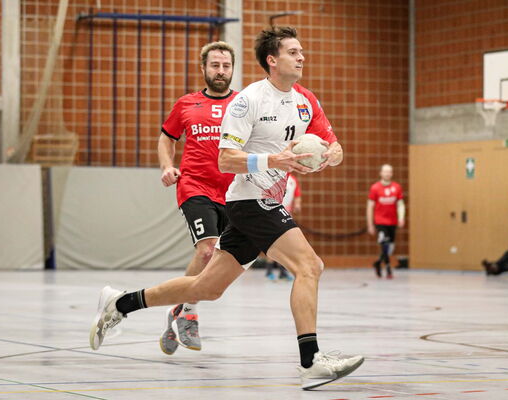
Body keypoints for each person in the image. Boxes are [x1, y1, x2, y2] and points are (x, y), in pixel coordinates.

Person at [89, 26, 364, 391]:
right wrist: (274, 160)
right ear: (272, 60)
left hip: (263, 201)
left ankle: (120, 303)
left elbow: (334, 145)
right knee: (309, 266)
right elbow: (226, 159)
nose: (301, 57)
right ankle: (310, 361)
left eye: (301, 52)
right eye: (293, 52)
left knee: (206, 287)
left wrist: (332, 154)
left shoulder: (306, 100)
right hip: (250, 199)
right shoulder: (248, 101)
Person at [157, 41, 237, 355]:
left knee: (222, 264)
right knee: (206, 250)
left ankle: (176, 309)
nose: (221, 71)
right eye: (215, 65)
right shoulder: (186, 104)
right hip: (195, 186)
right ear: (203, 68)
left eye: (226, 66)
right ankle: (188, 313)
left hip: (233, 192)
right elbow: (167, 138)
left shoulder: (243, 104)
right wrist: (167, 166)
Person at [366, 164, 405, 279]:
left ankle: (378, 263)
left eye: (389, 172)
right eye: (385, 171)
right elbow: (370, 206)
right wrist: (370, 224)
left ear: (392, 174)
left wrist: (401, 217)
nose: (387, 174)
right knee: (384, 243)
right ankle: (388, 268)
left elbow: (400, 204)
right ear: (381, 173)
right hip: (380, 221)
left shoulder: (397, 187)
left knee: (390, 247)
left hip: (392, 222)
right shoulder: (375, 188)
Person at [265, 173, 301, 281]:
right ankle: (270, 270)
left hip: (285, 213)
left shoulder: (292, 180)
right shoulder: (273, 176)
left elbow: (297, 194)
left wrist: (297, 205)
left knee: (285, 244)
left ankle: (282, 271)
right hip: (272, 212)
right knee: (272, 242)